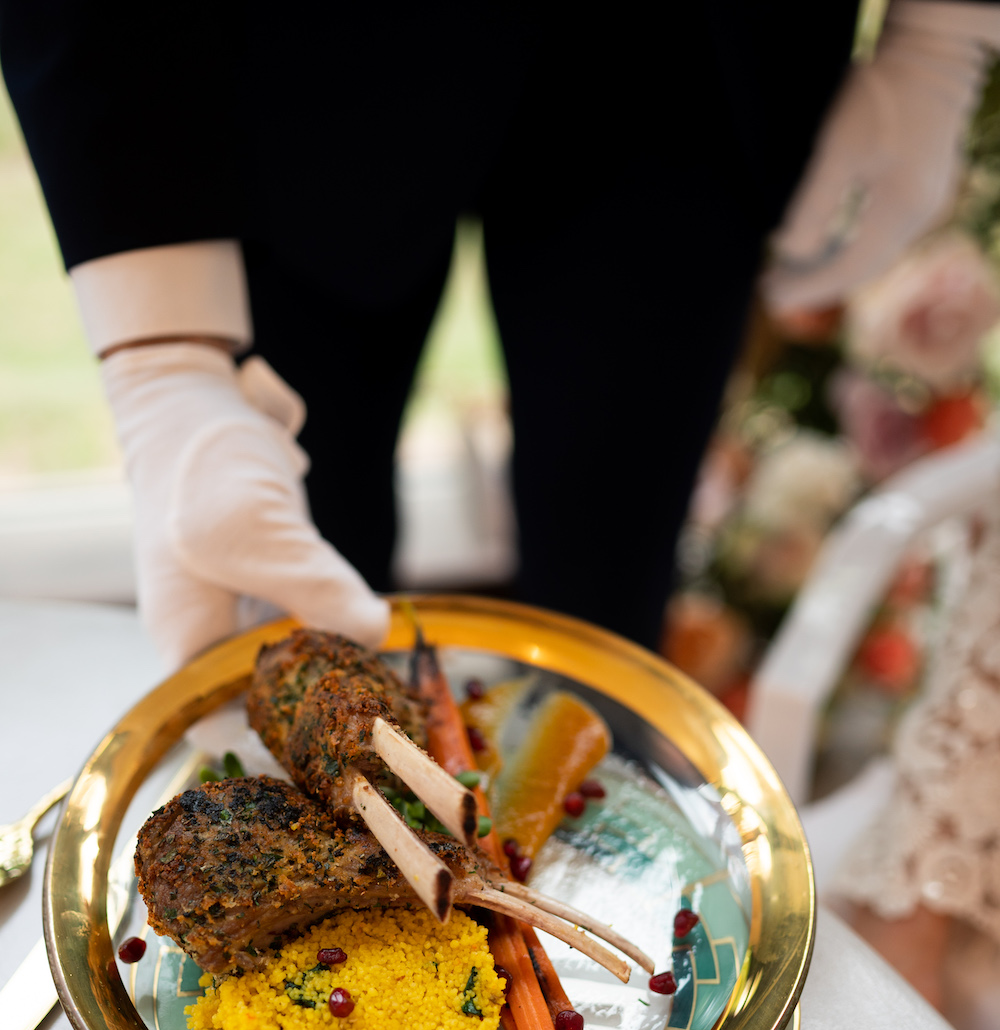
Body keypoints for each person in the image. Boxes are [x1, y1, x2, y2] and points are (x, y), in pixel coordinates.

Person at [1, 1, 998, 672]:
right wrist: (163, 355)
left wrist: (943, 29)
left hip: (690, 56)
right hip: (300, 62)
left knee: (611, 601)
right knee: (295, 590)